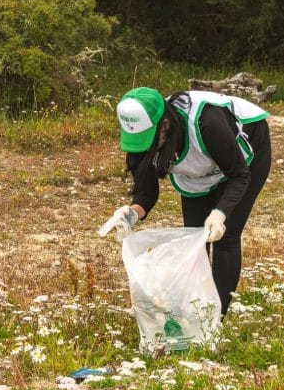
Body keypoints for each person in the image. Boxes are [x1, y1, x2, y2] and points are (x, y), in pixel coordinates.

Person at [111, 87, 271, 316]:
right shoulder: (139, 138)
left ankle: (215, 320)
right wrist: (133, 214)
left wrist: (220, 213)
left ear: (165, 126)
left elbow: (239, 174)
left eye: (146, 139)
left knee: (225, 235)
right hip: (201, 167)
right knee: (194, 237)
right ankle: (194, 311)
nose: (142, 147)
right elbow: (146, 193)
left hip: (245, 156)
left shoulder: (207, 123)